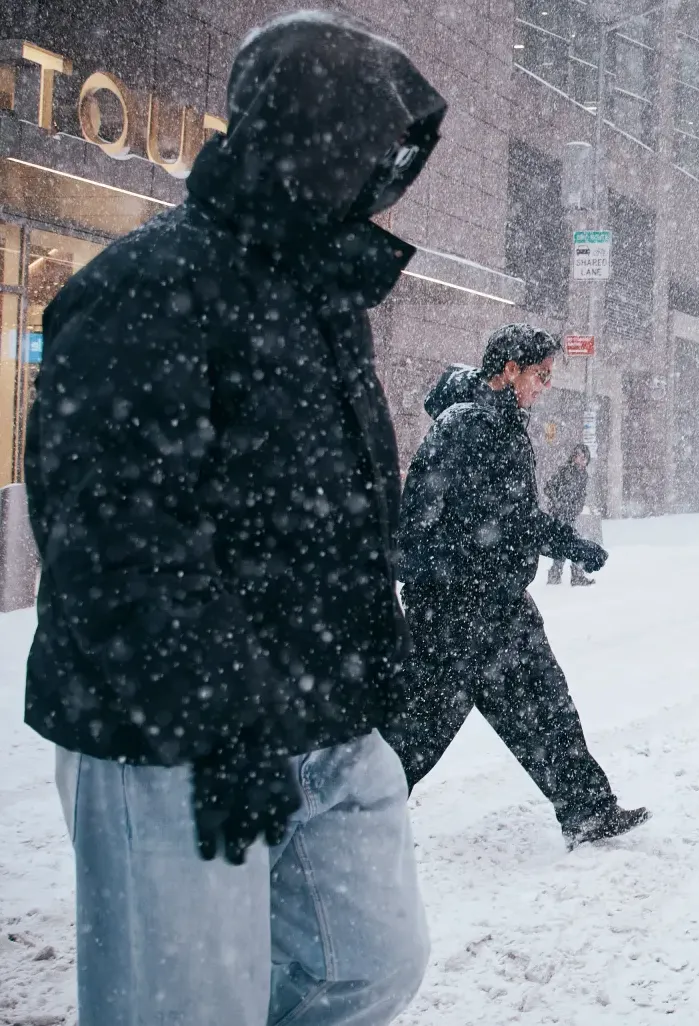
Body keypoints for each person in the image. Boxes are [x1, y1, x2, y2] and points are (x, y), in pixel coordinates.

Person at [21, 14, 439, 1024]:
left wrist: (378, 666)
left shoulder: (318, 295)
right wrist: (213, 719)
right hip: (166, 728)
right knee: (181, 1010)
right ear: (304, 140)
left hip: (320, 715)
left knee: (366, 969)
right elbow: (117, 534)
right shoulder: (147, 285)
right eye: (360, 148)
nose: (377, 173)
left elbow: (336, 509)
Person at [383, 324, 648, 848]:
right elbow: (506, 520)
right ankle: (346, 816)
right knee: (420, 728)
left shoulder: (487, 420)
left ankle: (588, 808)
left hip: (486, 600)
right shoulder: (477, 427)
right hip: (461, 605)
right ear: (508, 372)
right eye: (540, 375)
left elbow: (500, 518)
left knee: (541, 702)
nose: (545, 386)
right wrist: (570, 544)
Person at [545, 444, 595, 586]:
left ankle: (556, 575)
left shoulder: (583, 475)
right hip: (561, 514)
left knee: (565, 544)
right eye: (580, 456)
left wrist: (577, 506)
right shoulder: (566, 471)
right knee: (572, 543)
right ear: (574, 457)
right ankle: (574, 576)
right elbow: (548, 487)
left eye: (584, 457)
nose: (582, 460)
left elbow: (580, 494)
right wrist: (558, 503)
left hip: (571, 514)